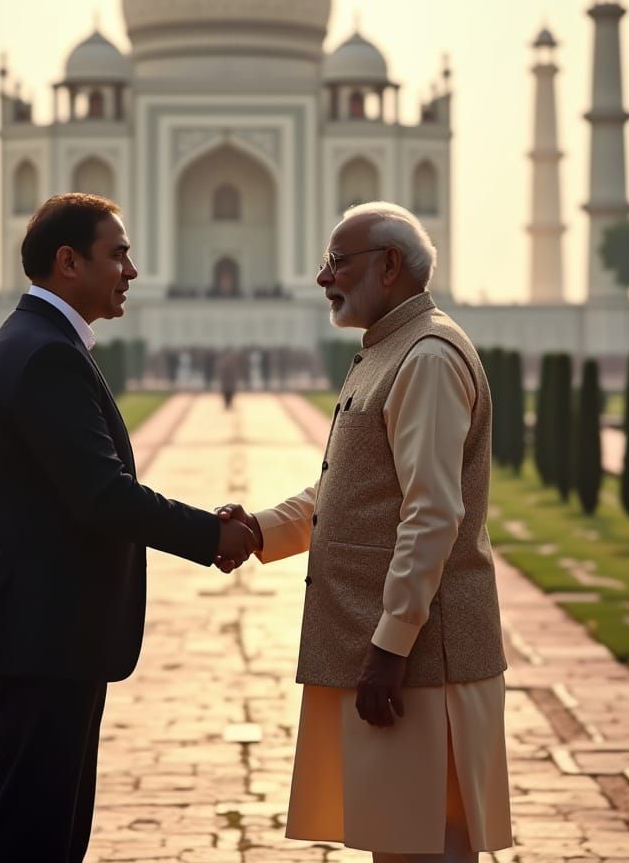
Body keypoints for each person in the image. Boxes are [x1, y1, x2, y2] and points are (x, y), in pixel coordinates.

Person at [0, 193, 258, 862]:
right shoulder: (46, 356)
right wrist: (214, 536)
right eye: (116, 254)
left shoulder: (38, 342)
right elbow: (102, 496)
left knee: (48, 826)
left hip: (48, 630)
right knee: (36, 832)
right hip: (46, 630)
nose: (131, 270)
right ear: (69, 262)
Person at [219, 201, 512, 862]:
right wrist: (260, 531)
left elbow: (433, 512)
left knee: (427, 845)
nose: (324, 277)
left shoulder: (427, 357)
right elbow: (345, 495)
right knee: (399, 842)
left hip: (422, 657)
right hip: (393, 647)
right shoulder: (390, 350)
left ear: (388, 265)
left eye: (337, 262)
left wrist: (392, 643)